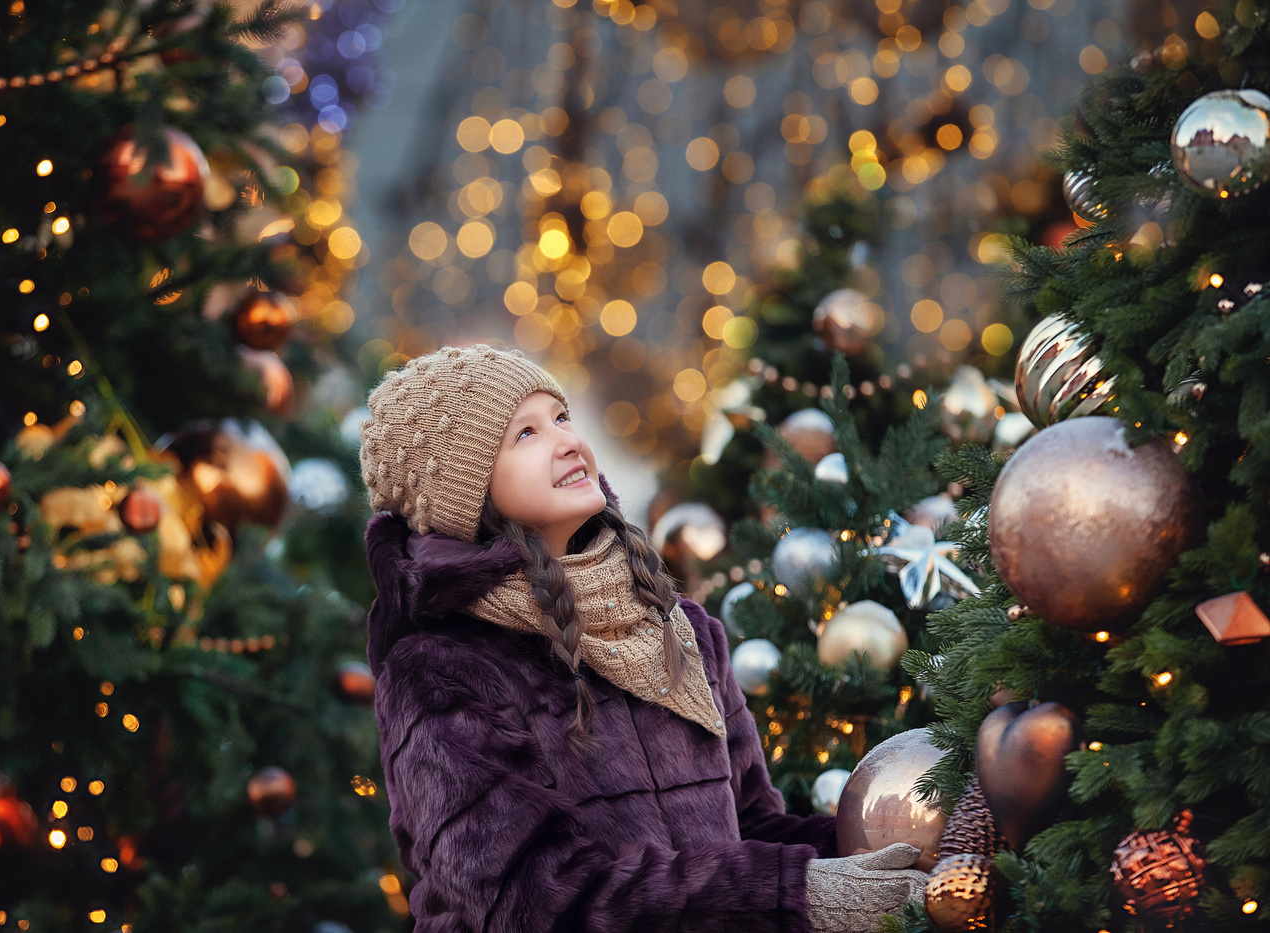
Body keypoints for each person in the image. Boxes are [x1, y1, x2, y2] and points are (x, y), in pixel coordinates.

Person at [359, 344, 927, 932]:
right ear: (463, 493)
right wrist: (792, 892)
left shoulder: (679, 628)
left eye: (560, 417)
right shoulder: (441, 669)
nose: (566, 441)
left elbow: (749, 830)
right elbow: (533, 900)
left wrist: (897, 839)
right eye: (523, 434)